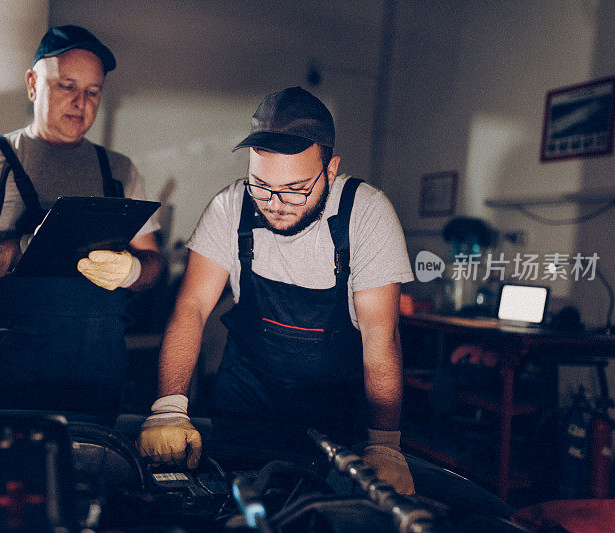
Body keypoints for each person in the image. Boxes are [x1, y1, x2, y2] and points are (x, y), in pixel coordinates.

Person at [136, 86, 416, 494]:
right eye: (260, 185)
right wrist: (169, 407)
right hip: (246, 398)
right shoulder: (230, 207)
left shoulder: (367, 214)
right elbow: (192, 307)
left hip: (334, 406)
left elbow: (380, 335)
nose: (275, 203)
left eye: (296, 188)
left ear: (331, 169)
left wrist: (386, 444)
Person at [0, 25, 162, 417]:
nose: (80, 102)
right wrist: (23, 249)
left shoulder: (119, 170)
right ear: (33, 84)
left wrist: (132, 269)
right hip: (7, 375)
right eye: (67, 85)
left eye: (93, 91)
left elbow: (154, 266)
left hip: (97, 374)